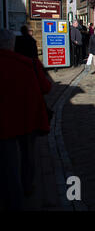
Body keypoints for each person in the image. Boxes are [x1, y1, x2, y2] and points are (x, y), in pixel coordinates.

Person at [0, 29, 51, 210]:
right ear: (11, 44)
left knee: (9, 162)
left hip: (5, 122)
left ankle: (13, 198)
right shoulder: (29, 64)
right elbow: (46, 87)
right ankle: (27, 187)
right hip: (27, 118)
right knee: (28, 155)